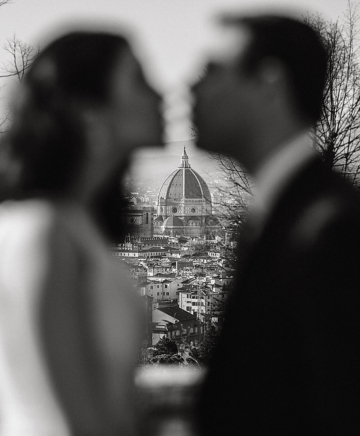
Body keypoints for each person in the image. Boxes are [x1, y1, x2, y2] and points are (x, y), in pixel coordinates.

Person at [192, 13, 360, 435]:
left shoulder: (330, 230)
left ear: (269, 84)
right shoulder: (296, 214)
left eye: (212, 71)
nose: (192, 87)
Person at [0, 30, 163, 436]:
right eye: (139, 80)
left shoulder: (75, 225)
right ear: (89, 111)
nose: (159, 94)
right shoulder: (40, 229)